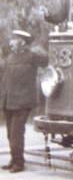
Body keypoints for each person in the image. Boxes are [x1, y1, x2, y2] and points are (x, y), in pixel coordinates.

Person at [0, 30, 48, 173]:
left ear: (22, 42)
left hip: (22, 102)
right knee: (10, 134)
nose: (11, 42)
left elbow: (46, 60)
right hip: (8, 101)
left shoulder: (32, 56)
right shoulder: (9, 58)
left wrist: (36, 47)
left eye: (14, 40)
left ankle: (18, 163)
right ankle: (15, 159)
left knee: (16, 134)